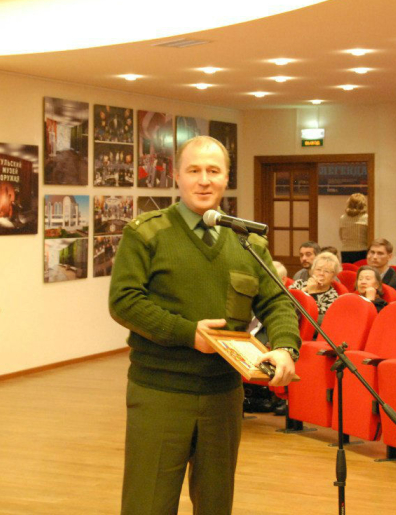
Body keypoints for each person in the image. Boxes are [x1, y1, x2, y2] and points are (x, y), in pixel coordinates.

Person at [109, 135, 300, 515]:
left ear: (227, 177)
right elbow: (124, 301)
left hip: (223, 395)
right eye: (194, 170)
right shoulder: (145, 233)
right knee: (148, 503)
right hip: (160, 392)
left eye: (213, 171)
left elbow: (277, 300)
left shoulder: (247, 242)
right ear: (176, 176)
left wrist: (284, 346)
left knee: (216, 503)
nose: (203, 180)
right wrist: (188, 334)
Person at [290, 251, 341, 330]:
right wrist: (305, 290)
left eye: (326, 271)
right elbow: (286, 305)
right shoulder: (299, 284)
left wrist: (312, 293)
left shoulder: (332, 297)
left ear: (333, 277)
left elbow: (313, 321)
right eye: (318, 269)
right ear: (312, 271)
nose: (321, 273)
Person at [339, 193, 369, 263]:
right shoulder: (366, 218)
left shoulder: (343, 218)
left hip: (346, 251)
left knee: (348, 269)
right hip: (362, 250)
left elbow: (341, 236)